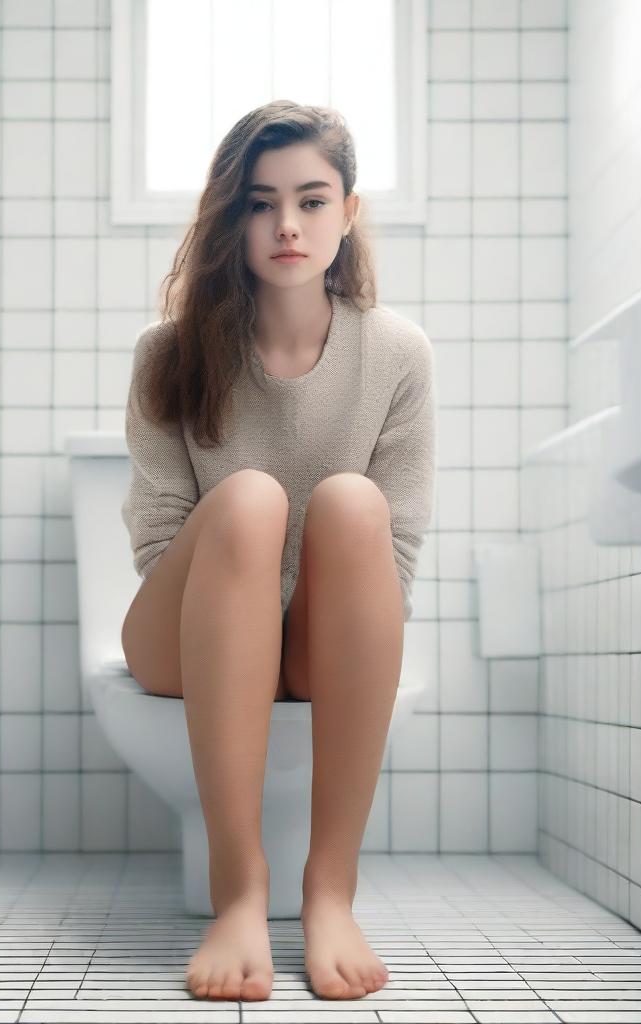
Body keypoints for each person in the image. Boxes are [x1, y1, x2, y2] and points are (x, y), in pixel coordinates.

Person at [119, 100, 436, 1002]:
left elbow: (394, 554)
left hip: (318, 638)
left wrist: (296, 626)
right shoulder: (169, 354)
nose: (287, 226)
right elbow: (156, 543)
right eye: (259, 204)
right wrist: (251, 580)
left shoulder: (398, 354)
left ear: (349, 211)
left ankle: (331, 890)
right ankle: (239, 890)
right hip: (183, 629)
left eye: (311, 199)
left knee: (349, 503)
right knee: (251, 496)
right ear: (232, 217)